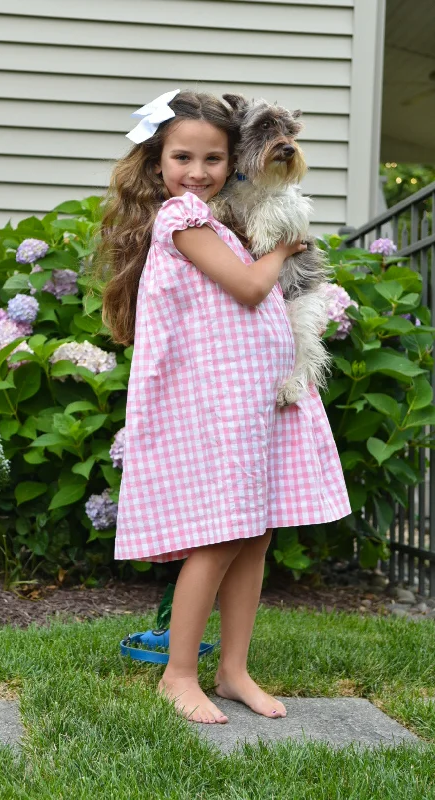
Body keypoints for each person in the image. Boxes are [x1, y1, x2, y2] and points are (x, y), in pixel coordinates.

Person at [98, 90, 351, 725]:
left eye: (214, 158)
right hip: (213, 406)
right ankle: (179, 673)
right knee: (217, 538)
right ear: (159, 161)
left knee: (255, 533)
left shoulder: (219, 220)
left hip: (252, 399)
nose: (199, 170)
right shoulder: (181, 220)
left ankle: (233, 668)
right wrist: (287, 248)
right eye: (183, 156)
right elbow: (248, 288)